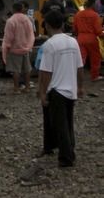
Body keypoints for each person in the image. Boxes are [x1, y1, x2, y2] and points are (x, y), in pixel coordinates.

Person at [38, 10, 84, 167]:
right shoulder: (73, 41)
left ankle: (66, 157)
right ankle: (60, 147)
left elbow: (45, 72)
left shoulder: (49, 45)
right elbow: (80, 67)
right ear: (63, 24)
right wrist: (80, 86)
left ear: (48, 25)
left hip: (56, 89)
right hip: (70, 88)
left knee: (60, 123)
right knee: (68, 121)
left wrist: (43, 93)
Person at [2, 2, 36, 93]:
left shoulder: (11, 21)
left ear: (13, 10)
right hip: (26, 47)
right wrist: (29, 45)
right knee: (27, 68)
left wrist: (7, 46)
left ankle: (16, 88)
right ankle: (27, 87)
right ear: (22, 9)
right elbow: (31, 33)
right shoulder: (27, 19)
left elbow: (9, 36)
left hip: (15, 48)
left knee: (15, 69)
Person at [72, 0, 103, 82]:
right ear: (93, 4)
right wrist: (101, 34)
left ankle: (76, 76)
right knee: (95, 58)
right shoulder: (95, 15)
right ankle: (95, 76)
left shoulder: (78, 14)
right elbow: (98, 31)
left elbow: (74, 29)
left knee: (81, 58)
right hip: (92, 39)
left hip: (80, 38)